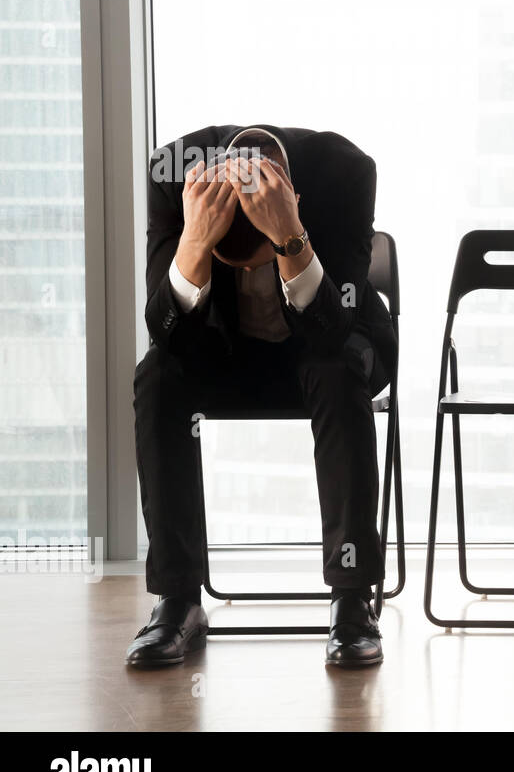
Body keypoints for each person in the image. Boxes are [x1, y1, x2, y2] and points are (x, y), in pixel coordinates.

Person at [126, 125, 396, 668]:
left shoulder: (343, 173)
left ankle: (352, 601)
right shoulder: (174, 177)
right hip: (223, 349)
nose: (250, 266)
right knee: (157, 375)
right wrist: (197, 242)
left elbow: (332, 330)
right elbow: (167, 331)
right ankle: (177, 601)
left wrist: (289, 237)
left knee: (337, 368)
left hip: (327, 342)